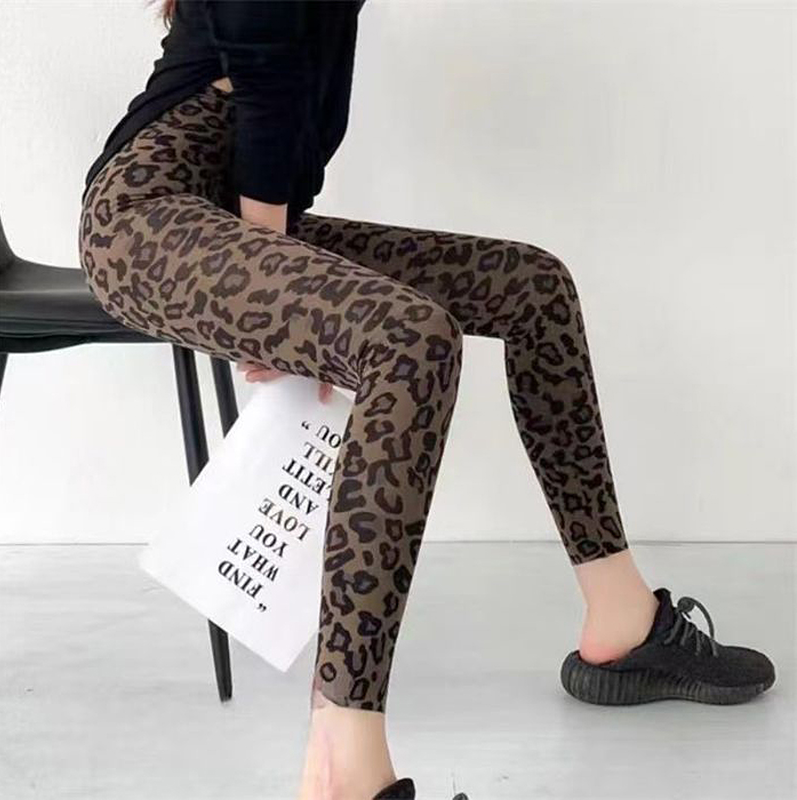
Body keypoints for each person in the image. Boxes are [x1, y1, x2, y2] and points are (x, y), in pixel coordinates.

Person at [77, 2, 776, 799]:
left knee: (531, 289)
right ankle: (344, 772)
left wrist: (283, 256)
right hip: (148, 215)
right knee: (411, 340)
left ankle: (622, 618)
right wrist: (272, 268)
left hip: (233, 210)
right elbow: (265, 60)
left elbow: (299, 91)